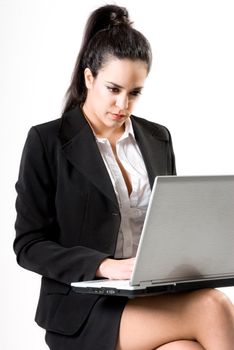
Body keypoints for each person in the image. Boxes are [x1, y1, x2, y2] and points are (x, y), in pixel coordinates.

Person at [14, 4, 234, 350]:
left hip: (150, 297)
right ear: (89, 78)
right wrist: (104, 266)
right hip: (82, 308)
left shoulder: (158, 138)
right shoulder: (47, 141)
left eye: (134, 93)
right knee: (213, 306)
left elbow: (169, 225)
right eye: (113, 89)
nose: (123, 104)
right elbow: (28, 246)